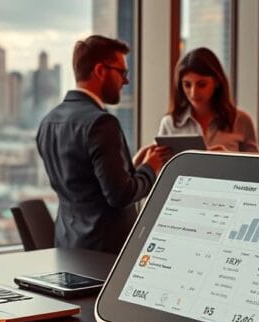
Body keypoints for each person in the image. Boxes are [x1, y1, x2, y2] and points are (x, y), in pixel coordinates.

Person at [36, 35, 170, 254]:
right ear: (100, 70)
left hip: (67, 246)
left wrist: (131, 167)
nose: (126, 81)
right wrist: (151, 167)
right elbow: (121, 196)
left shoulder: (49, 122)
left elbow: (83, 183)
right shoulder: (101, 122)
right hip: (105, 252)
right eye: (122, 73)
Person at [158, 47, 259, 152]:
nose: (194, 93)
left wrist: (227, 157)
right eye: (187, 85)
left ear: (217, 82)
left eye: (202, 85)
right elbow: (159, 167)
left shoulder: (241, 120)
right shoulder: (169, 123)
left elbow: (256, 167)